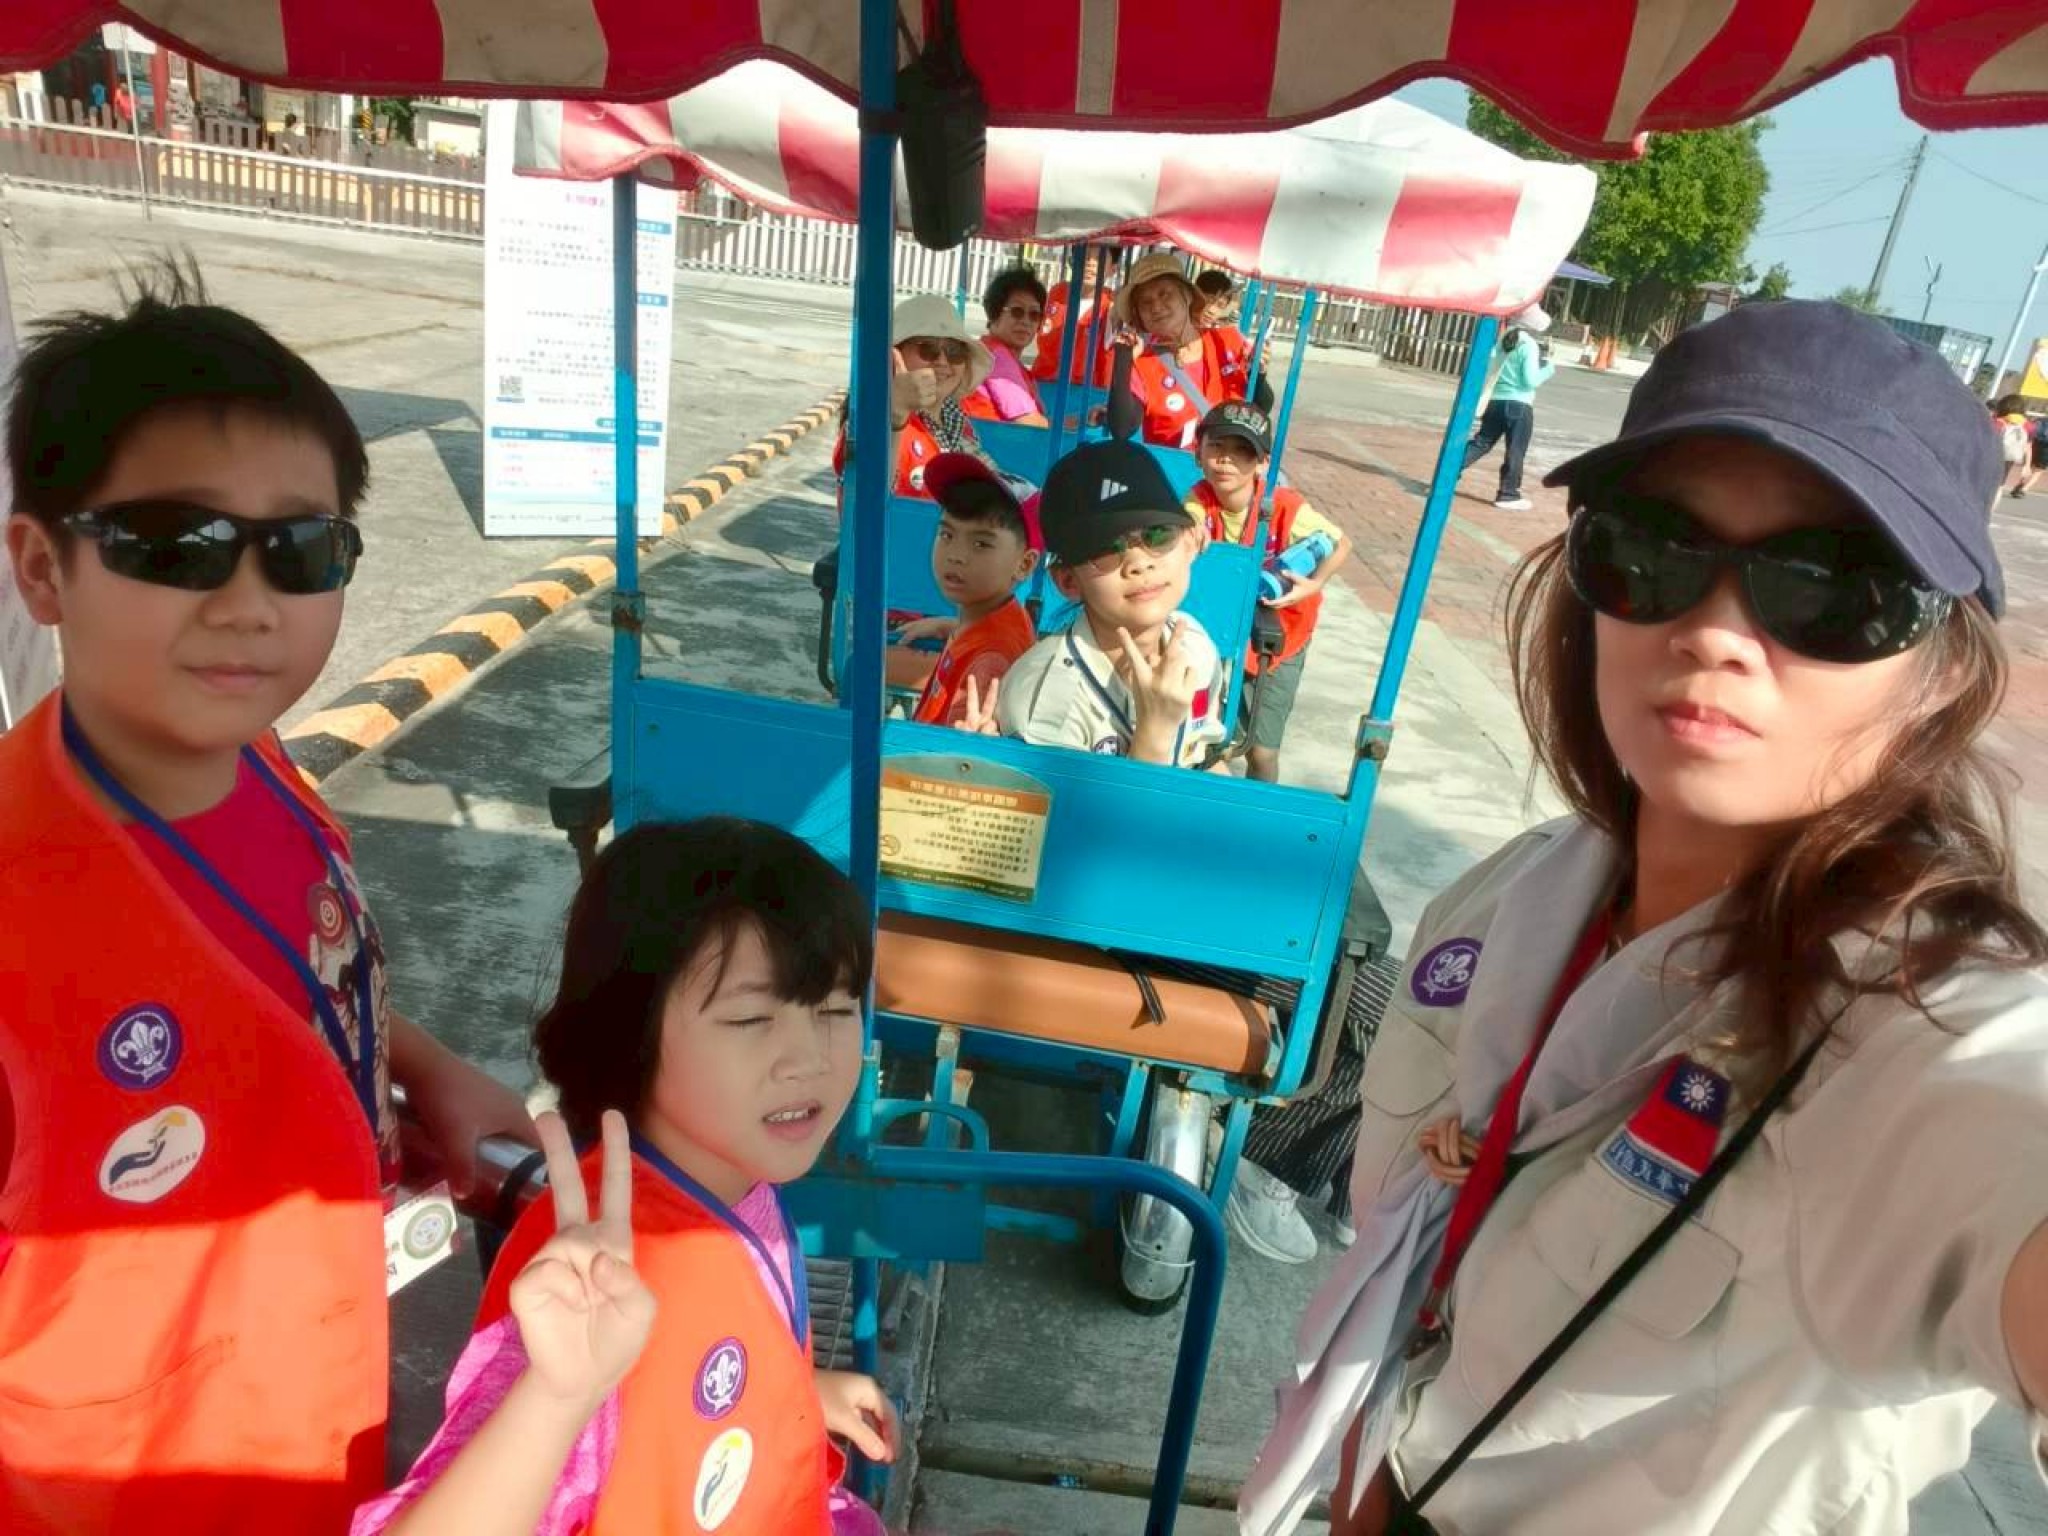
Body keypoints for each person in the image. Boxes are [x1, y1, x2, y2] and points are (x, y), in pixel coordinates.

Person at [1238, 299, 2048, 1536]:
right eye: (1649, 550)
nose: (1713, 631)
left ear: (1940, 669)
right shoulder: (1509, 894)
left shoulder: (1913, 1027)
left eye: (1833, 589)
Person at [0, 268, 533, 1533]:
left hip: (315, 1414)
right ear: (41, 567)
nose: (247, 606)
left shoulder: (267, 770)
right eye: (173, 544)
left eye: (299, 550)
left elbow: (281, 976)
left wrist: (421, 1067)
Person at [354, 818, 895, 1536]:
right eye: (750, 1019)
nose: (810, 1059)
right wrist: (555, 1399)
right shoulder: (591, 1279)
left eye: (835, 1009)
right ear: (630, 1029)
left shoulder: (732, 1172)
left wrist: (794, 1392)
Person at [969, 439, 1228, 766]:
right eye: (1106, 549)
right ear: (1068, 581)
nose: (1139, 563)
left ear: (1189, 542)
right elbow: (1068, 803)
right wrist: (1154, 735)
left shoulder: (1196, 645)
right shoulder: (1048, 698)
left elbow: (1207, 764)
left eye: (1158, 534)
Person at [1185, 402, 1352, 786]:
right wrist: (1189, 528)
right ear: (1199, 451)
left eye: (1242, 452)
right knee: (1211, 738)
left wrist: (1314, 584)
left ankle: (1261, 800)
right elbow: (1189, 517)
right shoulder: (1198, 500)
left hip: (1281, 636)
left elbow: (1341, 543)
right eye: (1216, 446)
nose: (1226, 460)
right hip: (1223, 630)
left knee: (1262, 751)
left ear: (1262, 464)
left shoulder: (1285, 506)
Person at [888, 454, 1039, 728]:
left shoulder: (990, 662)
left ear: (1025, 564)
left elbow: (954, 750)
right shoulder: (997, 617)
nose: (956, 555)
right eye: (947, 535)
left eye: (981, 544)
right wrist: (955, 627)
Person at [831, 294, 997, 501]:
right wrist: (896, 414)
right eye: (928, 349)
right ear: (894, 356)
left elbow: (992, 491)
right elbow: (865, 496)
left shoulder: (959, 423)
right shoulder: (870, 418)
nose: (942, 361)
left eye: (954, 351)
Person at [1115, 252, 1272, 451]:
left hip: (1229, 465)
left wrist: (1259, 374)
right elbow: (1122, 428)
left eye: (1164, 294)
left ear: (1187, 296)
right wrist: (1122, 361)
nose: (1156, 307)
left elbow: (1262, 406)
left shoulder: (1229, 341)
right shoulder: (1141, 364)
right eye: (1145, 302)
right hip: (1173, 468)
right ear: (1140, 316)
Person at [1460, 304, 1556, 512]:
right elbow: (1530, 381)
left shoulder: (1503, 340)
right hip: (1519, 404)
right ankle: (1508, 494)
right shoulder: (1528, 345)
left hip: (1495, 401)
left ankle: (1450, 472)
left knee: (1481, 443)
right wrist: (1548, 369)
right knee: (1515, 450)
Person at [964, 266, 1049, 426]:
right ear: (994, 314)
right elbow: (1028, 423)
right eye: (1017, 312)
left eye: (1034, 314)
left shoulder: (993, 352)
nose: (1025, 321)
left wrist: (1080, 421)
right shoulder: (996, 357)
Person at [1031, 249, 1117, 390]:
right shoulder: (1056, 293)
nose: (1090, 263)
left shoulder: (1113, 305)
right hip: (1042, 382)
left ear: (1113, 269)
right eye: (1085, 255)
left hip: (1086, 391)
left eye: (1099, 258)